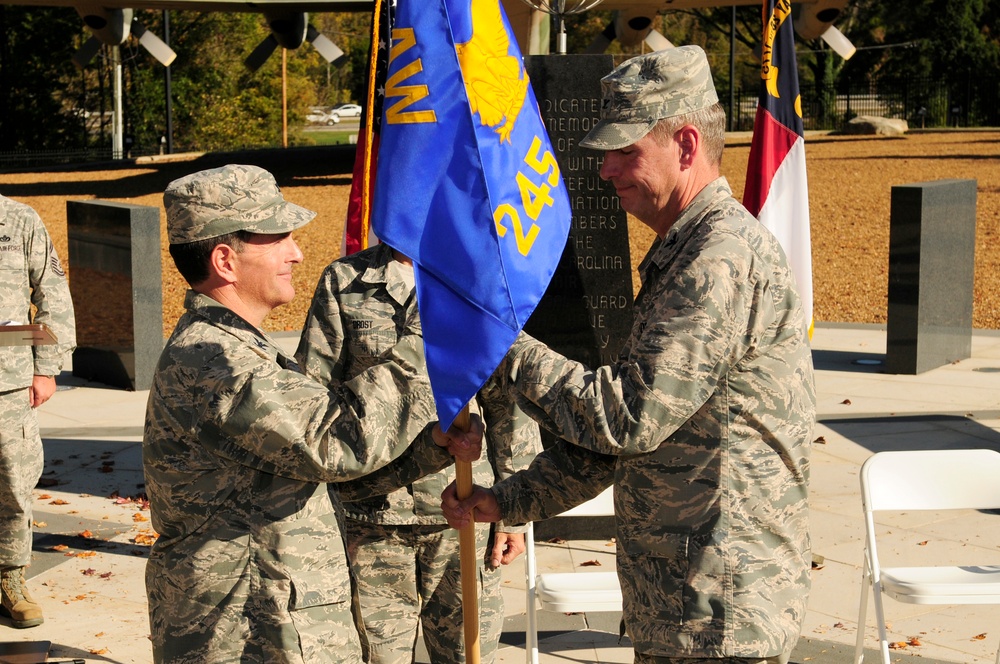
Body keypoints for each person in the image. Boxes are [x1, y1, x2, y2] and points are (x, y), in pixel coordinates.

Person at [442, 45, 816, 664]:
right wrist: (509, 501)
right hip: (682, 602)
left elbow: (629, 417)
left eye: (626, 151)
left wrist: (499, 344)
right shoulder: (685, 252)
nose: (607, 169)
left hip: (718, 610)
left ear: (687, 145)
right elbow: (627, 438)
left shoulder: (717, 260)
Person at [142, 164, 481, 664]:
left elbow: (312, 477)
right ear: (225, 260)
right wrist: (434, 343)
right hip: (246, 632)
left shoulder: (239, 350)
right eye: (278, 238)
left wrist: (432, 448)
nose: (296, 253)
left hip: (269, 619)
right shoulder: (216, 359)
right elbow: (332, 444)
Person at [296, 242, 541, 664]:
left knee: (471, 653)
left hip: (463, 514)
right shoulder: (345, 281)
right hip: (371, 518)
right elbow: (314, 397)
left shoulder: (477, 281)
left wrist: (513, 515)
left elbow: (507, 408)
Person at [0, 194, 76, 629]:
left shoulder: (18, 219)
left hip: (8, 381)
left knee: (13, 483)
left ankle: (10, 579)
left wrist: (47, 368)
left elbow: (52, 291)